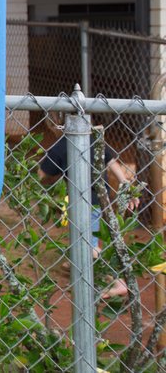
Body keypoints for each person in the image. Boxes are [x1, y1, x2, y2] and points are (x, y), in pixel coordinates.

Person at [36, 118, 139, 298]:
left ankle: (118, 282)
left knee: (89, 243)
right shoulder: (91, 139)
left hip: (82, 201)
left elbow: (42, 174)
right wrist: (124, 182)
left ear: (57, 126)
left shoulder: (62, 146)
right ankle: (78, 264)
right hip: (100, 198)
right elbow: (111, 161)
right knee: (87, 237)